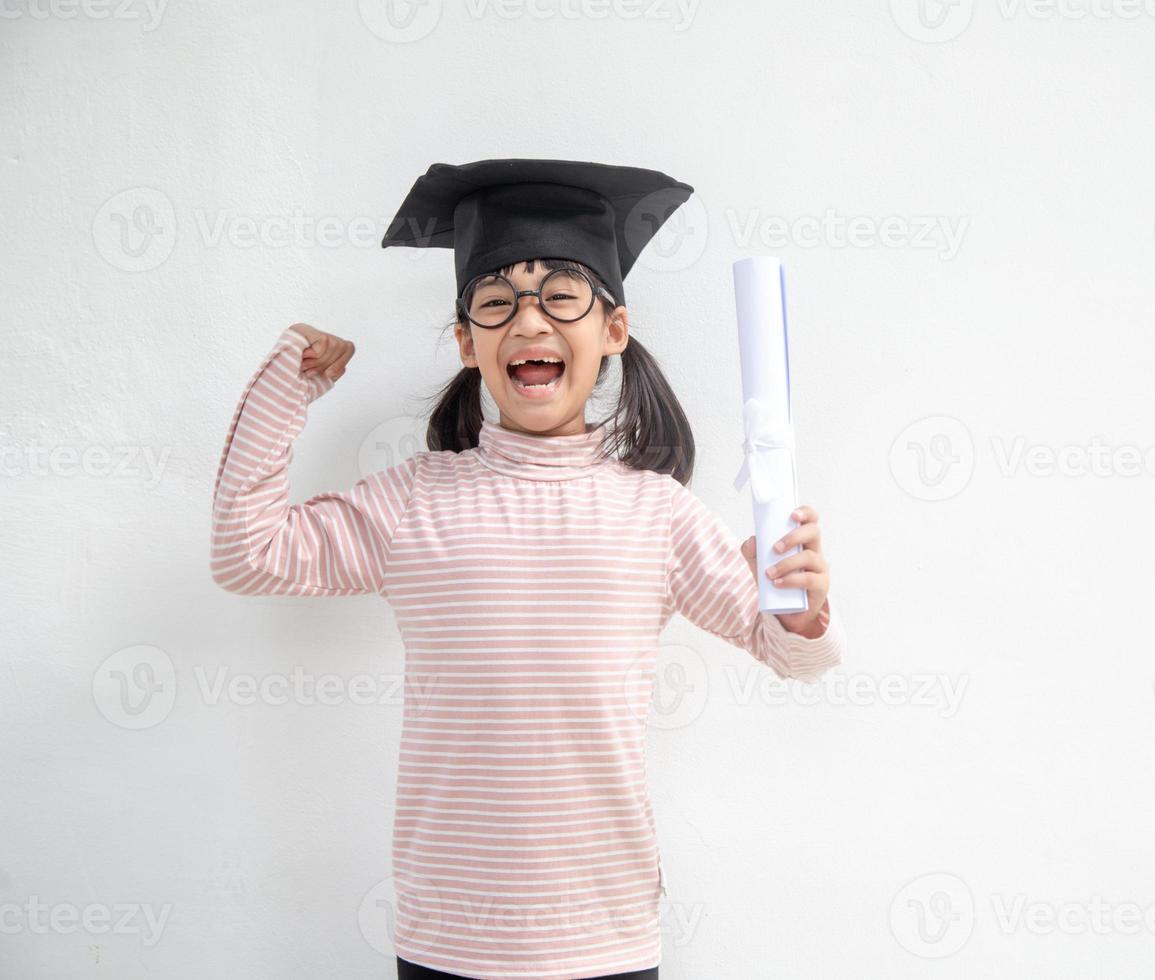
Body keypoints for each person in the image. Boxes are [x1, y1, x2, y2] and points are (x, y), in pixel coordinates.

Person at [209, 158, 847, 980]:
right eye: (497, 301)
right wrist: (285, 386)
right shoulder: (413, 502)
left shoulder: (655, 514)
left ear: (613, 329)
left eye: (562, 295)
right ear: (468, 342)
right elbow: (247, 553)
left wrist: (800, 607)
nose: (530, 320)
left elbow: (794, 656)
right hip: (449, 937)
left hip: (604, 937)